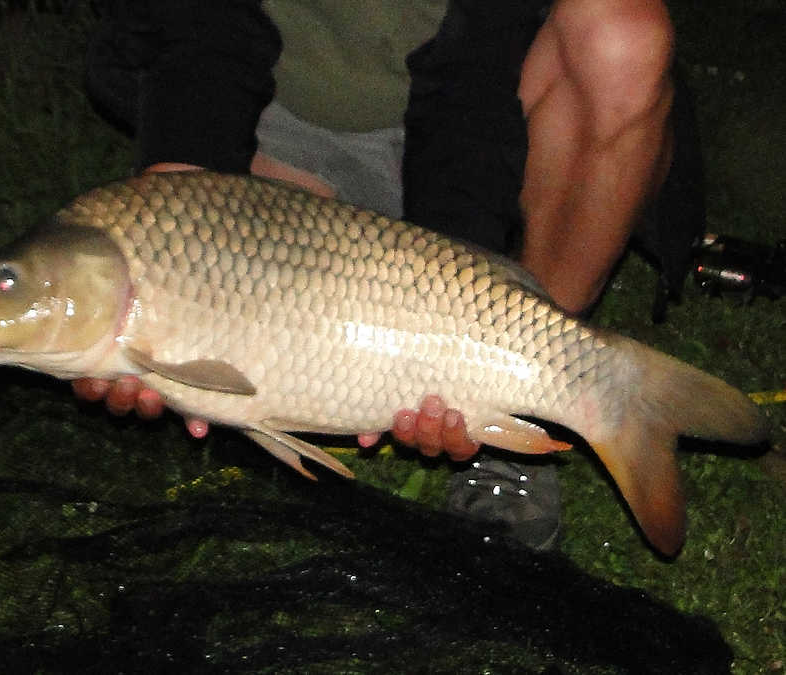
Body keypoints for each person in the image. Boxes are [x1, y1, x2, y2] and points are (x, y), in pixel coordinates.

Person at [79, 0, 679, 549]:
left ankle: (539, 385)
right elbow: (201, 26)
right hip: (278, 111)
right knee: (229, 319)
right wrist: (175, 209)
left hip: (476, 106)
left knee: (620, 32)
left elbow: (476, 73)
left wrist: (458, 321)